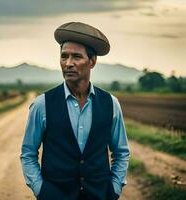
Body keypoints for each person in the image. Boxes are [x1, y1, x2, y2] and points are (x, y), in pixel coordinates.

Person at [20, 22, 130, 200]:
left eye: (77, 57)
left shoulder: (111, 104)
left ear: (92, 61)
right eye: (64, 56)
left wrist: (115, 188)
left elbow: (121, 152)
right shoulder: (42, 104)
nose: (68, 63)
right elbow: (28, 153)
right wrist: (41, 190)